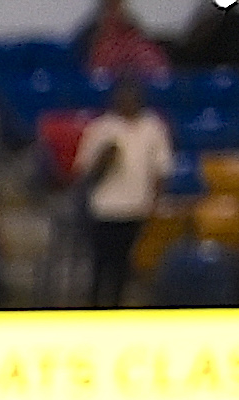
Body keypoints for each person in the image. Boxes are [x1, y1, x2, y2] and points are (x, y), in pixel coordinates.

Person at [73, 80, 176, 301]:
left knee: (123, 266)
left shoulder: (153, 126)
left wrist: (154, 204)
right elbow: (84, 170)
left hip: (136, 208)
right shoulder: (102, 128)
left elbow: (161, 169)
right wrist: (104, 160)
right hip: (105, 208)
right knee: (101, 265)